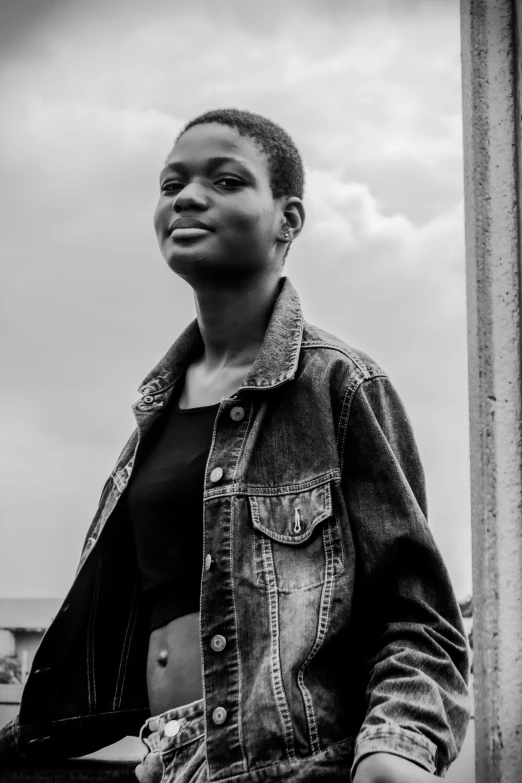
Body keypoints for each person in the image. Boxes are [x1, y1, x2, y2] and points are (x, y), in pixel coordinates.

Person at [0, 108, 470, 782]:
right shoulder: (154, 412)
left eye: (225, 180)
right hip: (161, 761)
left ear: (289, 218)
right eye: (170, 185)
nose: (187, 197)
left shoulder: (339, 386)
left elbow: (419, 618)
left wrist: (393, 749)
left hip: (291, 769)